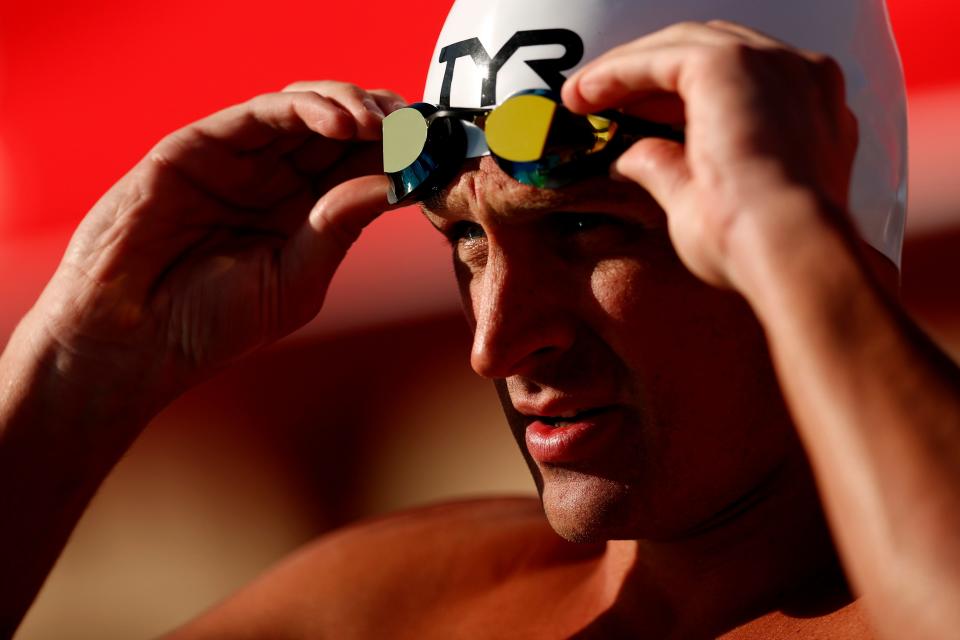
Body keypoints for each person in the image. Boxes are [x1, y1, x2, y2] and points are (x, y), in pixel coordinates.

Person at [2, 0, 959, 637]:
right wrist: (76, 370)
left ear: (823, 219)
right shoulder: (400, 606)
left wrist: (794, 243)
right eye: (464, 241)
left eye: (584, 227)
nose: (494, 342)